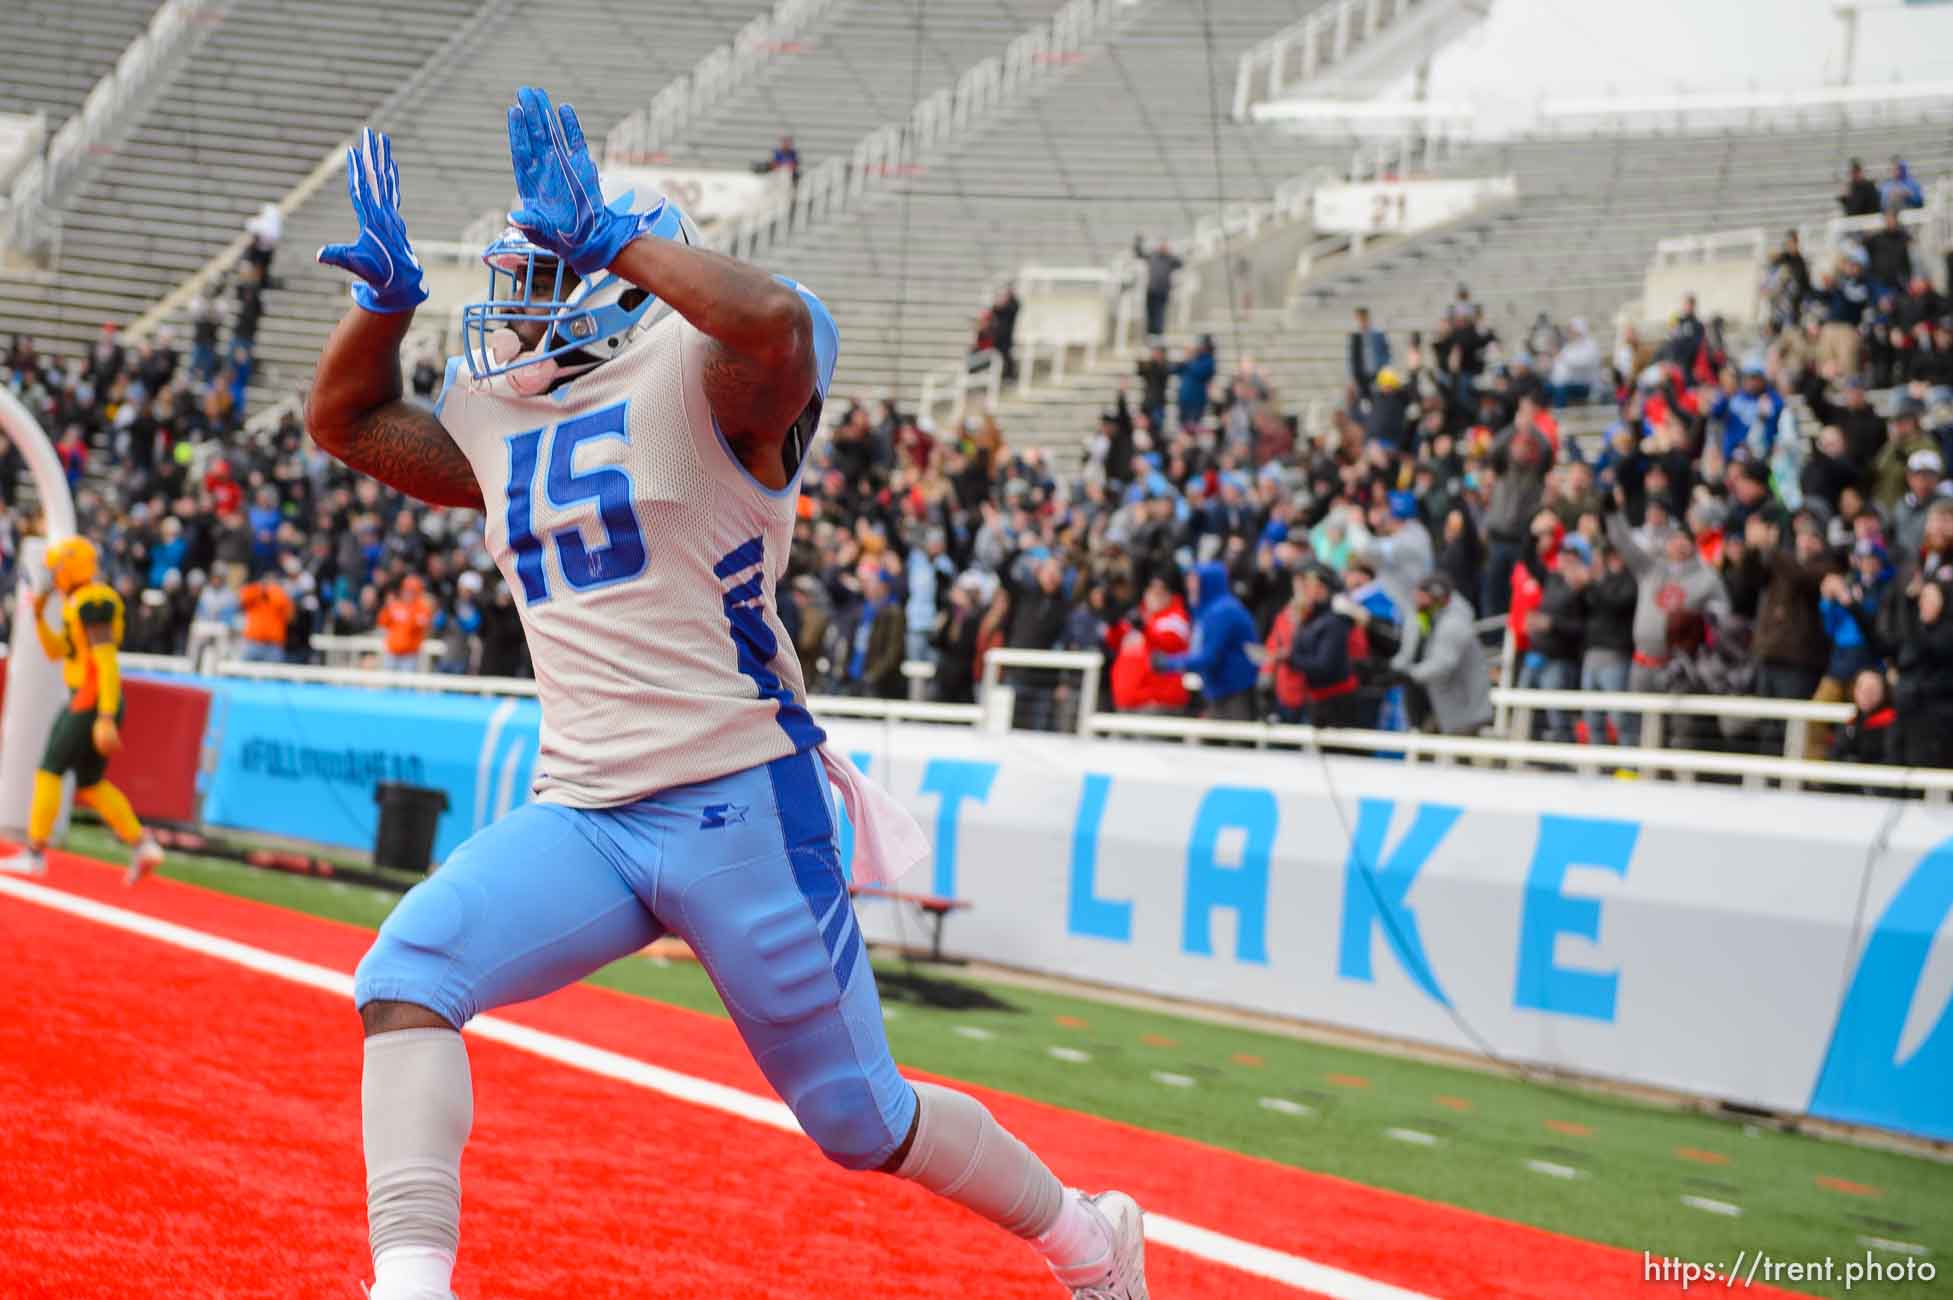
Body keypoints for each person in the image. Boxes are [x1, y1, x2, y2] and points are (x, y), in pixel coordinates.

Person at [308, 106, 1145, 1300]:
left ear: (625, 274)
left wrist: (613, 237)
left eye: (548, 269)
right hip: (588, 812)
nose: (516, 299)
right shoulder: (499, 416)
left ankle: (1087, 1237)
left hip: (741, 801)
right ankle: (410, 1285)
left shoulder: (712, 374)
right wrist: (382, 309)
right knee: (408, 974)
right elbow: (344, 421)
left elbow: (779, 327)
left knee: (862, 1122)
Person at [0, 537, 164, 883]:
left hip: (91, 698)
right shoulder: (77, 601)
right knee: (90, 784)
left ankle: (34, 852)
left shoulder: (94, 601)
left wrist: (105, 715)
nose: (54, 575)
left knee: (49, 769)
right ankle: (142, 844)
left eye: (58, 568)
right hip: (94, 699)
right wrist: (41, 615)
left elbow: (105, 662)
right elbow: (57, 652)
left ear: (73, 565)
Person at [1390, 573, 1492, 736]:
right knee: (1428, 746)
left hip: (1464, 704)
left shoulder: (1454, 623)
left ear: (1437, 598)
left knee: (1459, 751)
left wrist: (1409, 675)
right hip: (1442, 702)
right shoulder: (1426, 616)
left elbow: (1442, 663)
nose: (1417, 601)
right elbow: (1409, 650)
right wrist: (1394, 669)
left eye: (1422, 597)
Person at [1156, 559, 1257, 721]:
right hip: (1218, 692)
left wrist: (1169, 663)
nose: (1189, 586)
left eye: (1194, 581)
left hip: (1234, 694)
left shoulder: (1222, 612)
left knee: (1234, 742)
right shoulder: (1208, 611)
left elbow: (1208, 657)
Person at [377, 573, 434, 671]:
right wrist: (388, 607)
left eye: (412, 591)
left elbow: (422, 627)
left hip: (410, 654)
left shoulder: (422, 609)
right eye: (406, 590)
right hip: (392, 651)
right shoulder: (395, 605)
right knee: (388, 682)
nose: (408, 593)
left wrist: (410, 612)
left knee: (407, 683)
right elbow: (382, 622)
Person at [238, 572, 294, 663]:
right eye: (266, 582)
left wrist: (274, 591)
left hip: (273, 646)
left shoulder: (281, 595)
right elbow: (243, 598)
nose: (268, 585)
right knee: (242, 674)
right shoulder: (255, 593)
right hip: (252, 643)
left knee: (273, 676)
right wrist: (259, 589)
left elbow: (290, 617)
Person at [1133, 235, 1181, 338]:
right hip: (1152, 289)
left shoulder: (1170, 259)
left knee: (1160, 314)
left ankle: (1158, 335)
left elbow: (1180, 263)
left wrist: (1171, 254)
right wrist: (1138, 241)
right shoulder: (1153, 256)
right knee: (1150, 313)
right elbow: (1139, 253)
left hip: (1163, 291)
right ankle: (1150, 334)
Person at [1347, 307, 1389, 398]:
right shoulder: (1355, 337)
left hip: (1377, 373)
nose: (1361, 321)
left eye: (1363, 318)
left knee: (1379, 399)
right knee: (1365, 401)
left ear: (1367, 318)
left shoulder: (1378, 335)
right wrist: (1352, 378)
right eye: (1359, 319)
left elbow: (1386, 353)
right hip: (1361, 376)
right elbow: (1352, 359)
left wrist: (1383, 368)